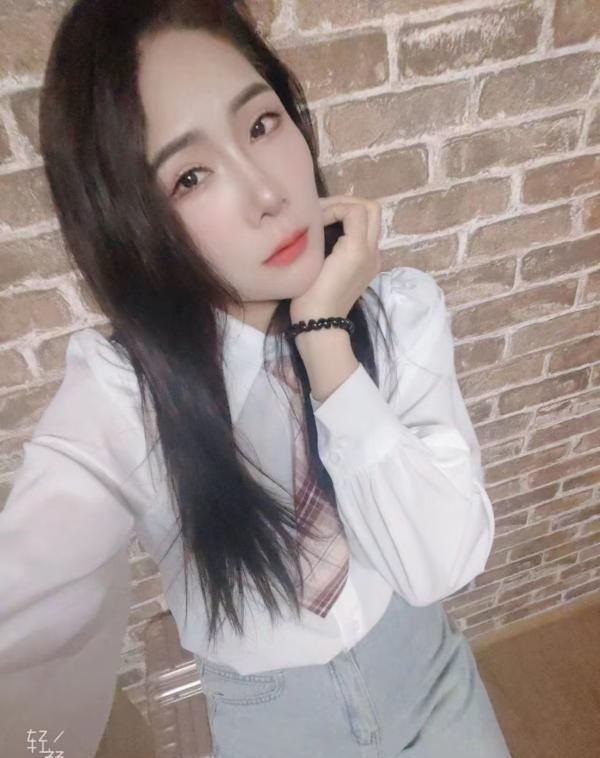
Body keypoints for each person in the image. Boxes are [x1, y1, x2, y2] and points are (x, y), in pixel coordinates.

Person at [0, 1, 513, 757]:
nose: (266, 193)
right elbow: (23, 623)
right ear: (131, 224)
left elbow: (441, 563)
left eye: (262, 125)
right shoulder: (122, 397)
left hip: (426, 675)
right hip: (272, 723)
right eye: (190, 177)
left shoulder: (401, 313)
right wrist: (40, 747)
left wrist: (327, 343)